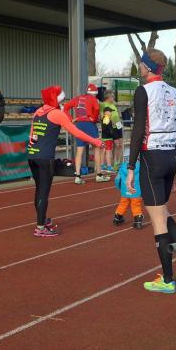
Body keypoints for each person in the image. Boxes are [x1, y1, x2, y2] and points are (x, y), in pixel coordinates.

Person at [125, 48, 176, 294]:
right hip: (170, 156)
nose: (139, 67)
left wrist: (130, 166)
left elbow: (138, 130)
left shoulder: (143, 91)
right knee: (163, 211)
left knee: (157, 220)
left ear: (147, 67)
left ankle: (167, 279)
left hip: (151, 157)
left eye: (141, 64)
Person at [26, 84, 103, 237]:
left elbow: (31, 134)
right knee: (43, 192)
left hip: (32, 155)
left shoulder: (38, 111)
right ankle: (40, 228)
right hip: (45, 157)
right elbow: (76, 132)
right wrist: (95, 141)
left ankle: (42, 220)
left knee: (39, 189)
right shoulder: (56, 114)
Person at [64, 83, 109, 184]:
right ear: (95, 93)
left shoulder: (77, 98)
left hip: (79, 125)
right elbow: (96, 109)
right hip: (90, 125)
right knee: (96, 148)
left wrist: (71, 119)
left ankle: (77, 176)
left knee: (79, 150)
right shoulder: (94, 99)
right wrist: (94, 118)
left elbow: (65, 108)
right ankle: (99, 175)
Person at [113, 148, 144, 229]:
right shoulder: (141, 166)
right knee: (136, 205)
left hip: (124, 190)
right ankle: (137, 221)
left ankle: (117, 218)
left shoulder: (122, 167)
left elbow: (117, 179)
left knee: (123, 204)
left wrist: (119, 188)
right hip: (136, 191)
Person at [100, 91, 122, 171]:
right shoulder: (103, 104)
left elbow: (116, 116)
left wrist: (119, 126)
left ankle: (116, 162)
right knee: (111, 145)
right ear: (108, 97)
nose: (114, 98)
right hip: (111, 127)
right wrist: (108, 124)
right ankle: (108, 164)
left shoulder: (113, 105)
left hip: (118, 125)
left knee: (119, 144)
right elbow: (102, 116)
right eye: (112, 97)